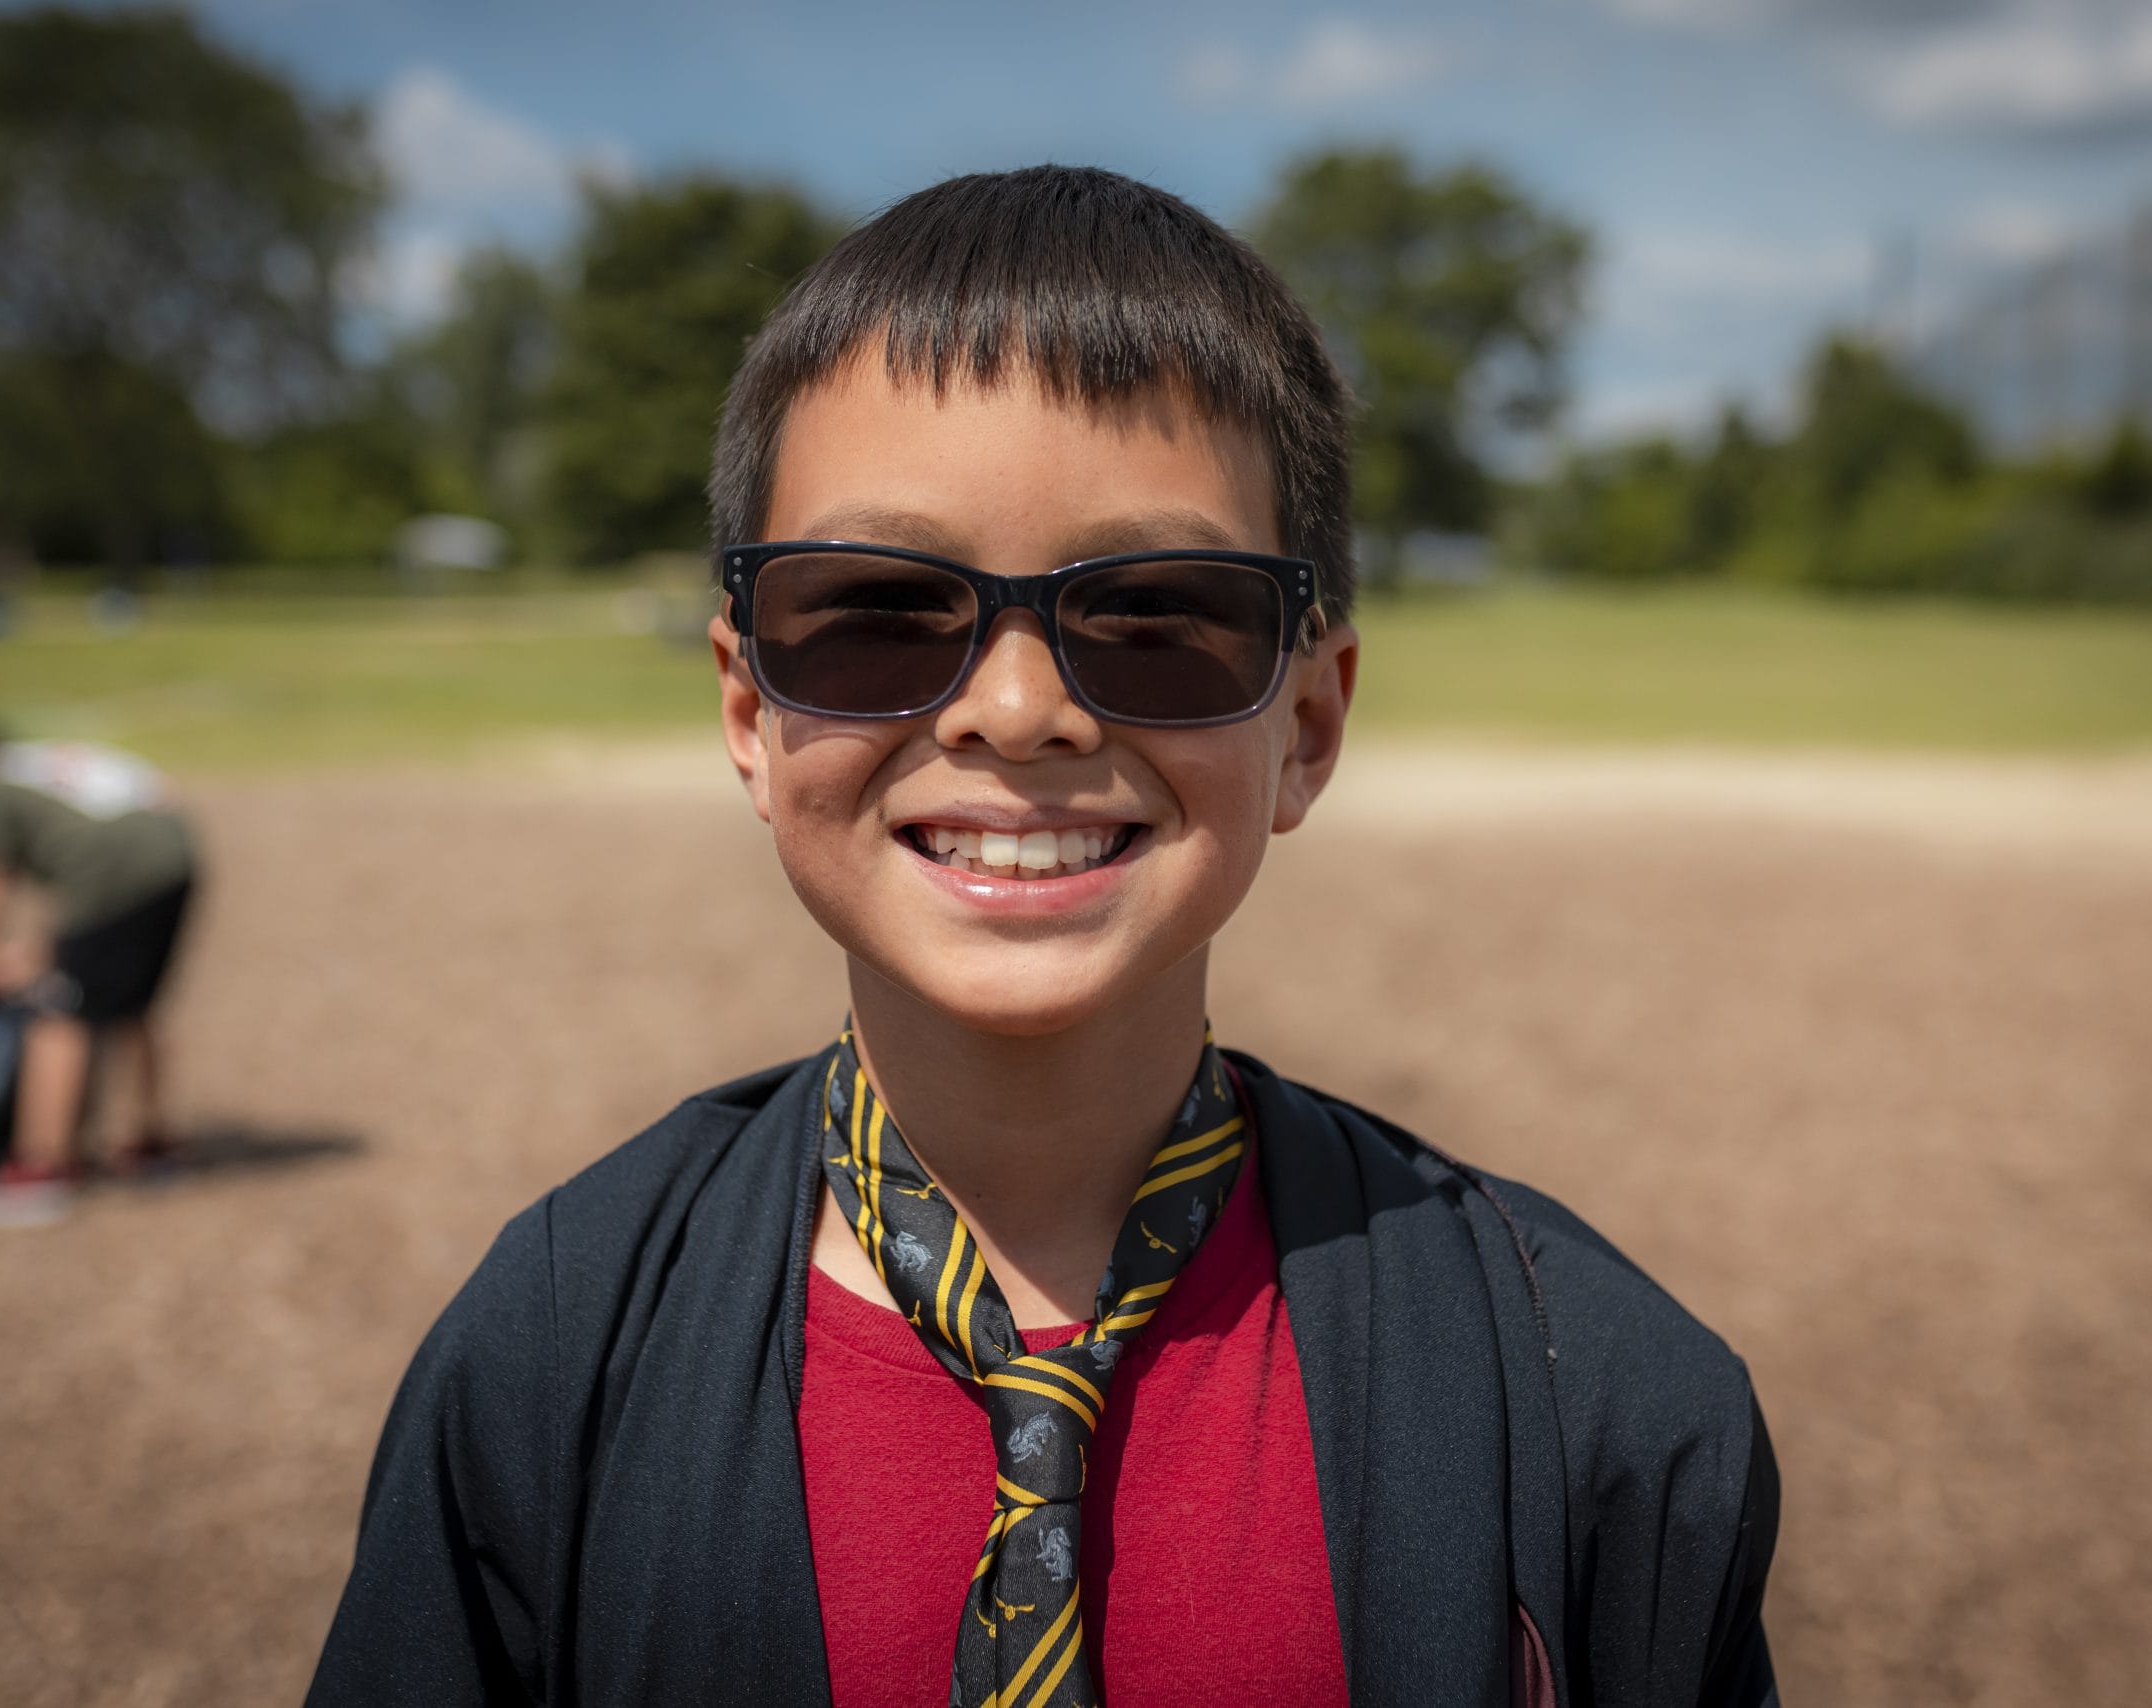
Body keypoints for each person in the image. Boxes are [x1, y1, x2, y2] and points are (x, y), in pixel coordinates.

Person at [310, 167, 1780, 1707]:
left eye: (1160, 616)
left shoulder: (1595, 1401)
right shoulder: (551, 1362)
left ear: (1311, 720)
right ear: (751, 712)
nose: (1016, 712)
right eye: (877, 608)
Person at [0, 725, 198, 1227]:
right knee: (132, 1002)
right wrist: (45, 950)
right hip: (177, 856)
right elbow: (158, 794)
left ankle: (41, 1167)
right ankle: (152, 1143)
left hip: (114, 872)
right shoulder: (46, 760)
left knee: (59, 1012)